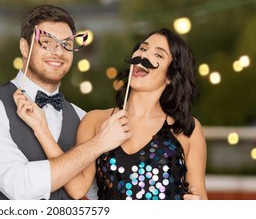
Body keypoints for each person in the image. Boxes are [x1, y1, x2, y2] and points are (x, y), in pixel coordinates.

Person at [15, 28, 208, 200]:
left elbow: (201, 200)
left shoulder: (186, 128)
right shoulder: (96, 120)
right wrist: (41, 129)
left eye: (158, 55)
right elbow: (76, 188)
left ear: (170, 76)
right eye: (142, 48)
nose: (144, 56)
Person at [0, 4, 131, 200]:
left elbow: (98, 193)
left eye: (66, 44)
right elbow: (21, 187)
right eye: (47, 42)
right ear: (24, 47)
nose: (58, 52)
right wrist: (99, 143)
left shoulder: (81, 117)